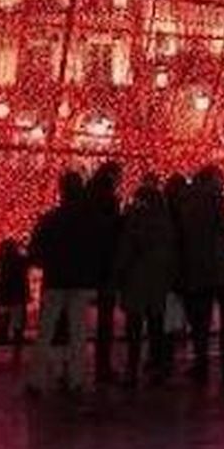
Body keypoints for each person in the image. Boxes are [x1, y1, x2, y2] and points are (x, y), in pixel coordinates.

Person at [27, 171, 99, 395]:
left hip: (55, 280)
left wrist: (48, 261)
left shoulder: (51, 219)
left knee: (45, 332)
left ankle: (37, 380)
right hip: (80, 281)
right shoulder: (89, 220)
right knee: (78, 332)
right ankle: (77, 379)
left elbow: (35, 251)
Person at [177, 167, 224, 386]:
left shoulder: (187, 201)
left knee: (201, 323)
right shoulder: (214, 198)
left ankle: (201, 367)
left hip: (199, 269)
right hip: (220, 270)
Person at [117, 173, 178, 388]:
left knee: (134, 329)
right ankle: (157, 370)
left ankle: (132, 371)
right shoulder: (166, 221)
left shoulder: (135, 219)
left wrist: (120, 272)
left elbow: (127, 250)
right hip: (159, 281)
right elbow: (172, 250)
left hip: (137, 280)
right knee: (156, 327)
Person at [86, 162, 125, 384]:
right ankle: (103, 366)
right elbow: (112, 231)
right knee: (105, 320)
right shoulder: (108, 199)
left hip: (88, 265)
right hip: (105, 266)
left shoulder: (88, 196)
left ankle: (72, 367)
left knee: (79, 319)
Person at [0, 238, 30, 348]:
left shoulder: (0, 260)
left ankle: (0, 336)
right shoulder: (20, 260)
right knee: (18, 317)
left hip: (3, 294)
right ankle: (16, 337)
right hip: (17, 294)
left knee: (3, 315)